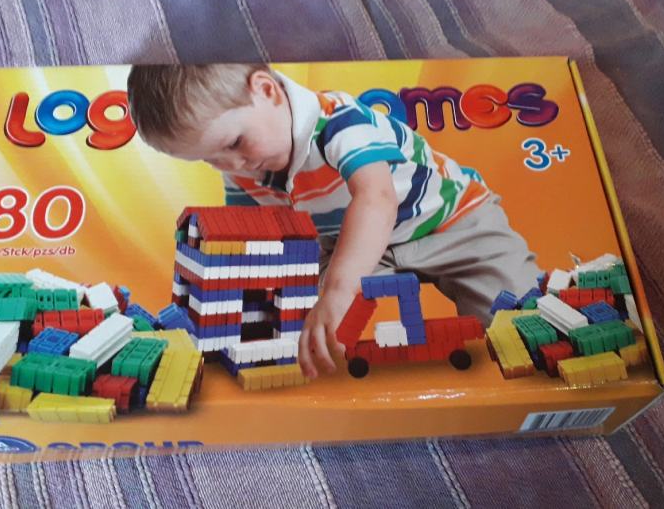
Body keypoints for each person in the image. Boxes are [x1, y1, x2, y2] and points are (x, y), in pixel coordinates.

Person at [127, 63, 541, 379]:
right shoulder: (242, 167)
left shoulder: (341, 123)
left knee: (518, 320)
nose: (233, 165)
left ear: (267, 90)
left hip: (452, 222)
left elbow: (377, 199)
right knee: (306, 320)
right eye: (209, 158)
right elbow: (254, 233)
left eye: (235, 142)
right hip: (348, 240)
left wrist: (339, 290)